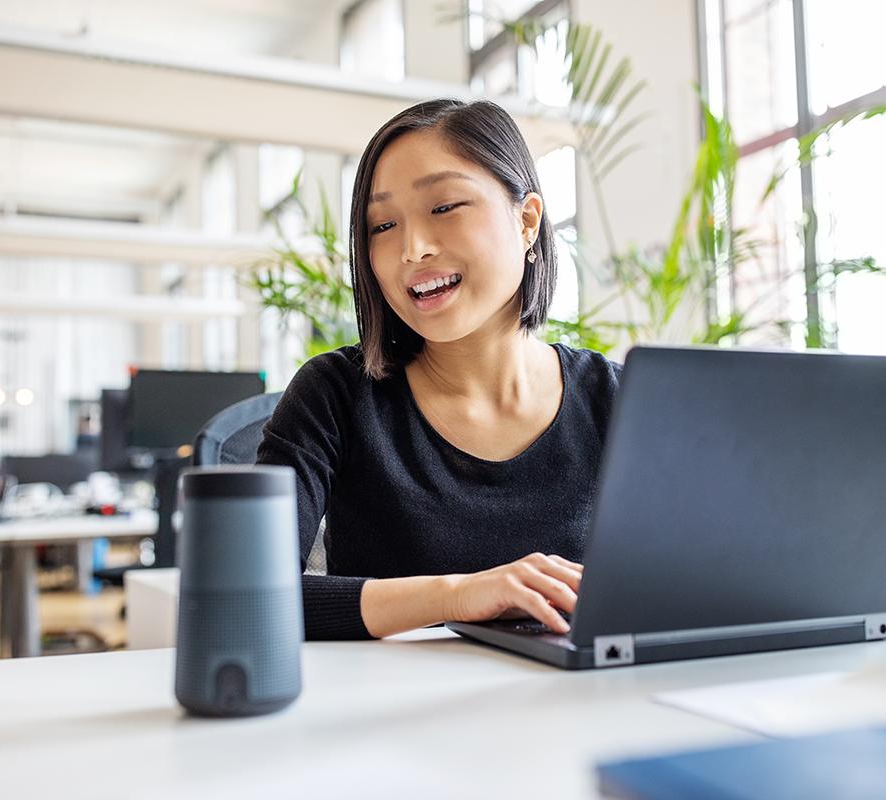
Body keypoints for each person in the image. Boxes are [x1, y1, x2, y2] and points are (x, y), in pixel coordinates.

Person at [256, 98, 621, 640]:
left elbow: (702, 574)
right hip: (396, 715)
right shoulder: (333, 396)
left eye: (445, 207)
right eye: (382, 224)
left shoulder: (617, 399)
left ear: (526, 221)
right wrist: (458, 595)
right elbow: (247, 595)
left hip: (596, 709)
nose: (412, 248)